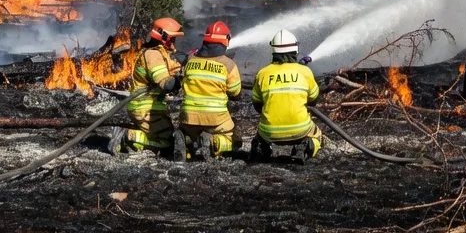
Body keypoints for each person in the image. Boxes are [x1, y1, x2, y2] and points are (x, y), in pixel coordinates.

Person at [109, 17, 184, 155]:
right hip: (146, 109)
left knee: (170, 136)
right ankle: (127, 136)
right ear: (164, 37)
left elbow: (171, 69)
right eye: (172, 39)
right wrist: (182, 80)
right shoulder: (153, 55)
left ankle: (136, 136)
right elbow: (166, 84)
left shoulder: (158, 53)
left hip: (151, 108)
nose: (174, 42)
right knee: (169, 143)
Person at [251, 29, 322, 159]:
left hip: (269, 132)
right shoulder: (305, 72)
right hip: (300, 130)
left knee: (259, 137)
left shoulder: (262, 73)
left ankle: (262, 149)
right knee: (317, 134)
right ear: (295, 49)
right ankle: (306, 146)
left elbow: (257, 104)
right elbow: (314, 99)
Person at [178, 21, 243, 159]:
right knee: (236, 140)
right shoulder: (229, 65)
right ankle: (213, 142)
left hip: (188, 118)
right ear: (226, 40)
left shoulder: (190, 60)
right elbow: (235, 93)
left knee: (190, 135)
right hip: (216, 120)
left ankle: (185, 139)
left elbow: (181, 82)